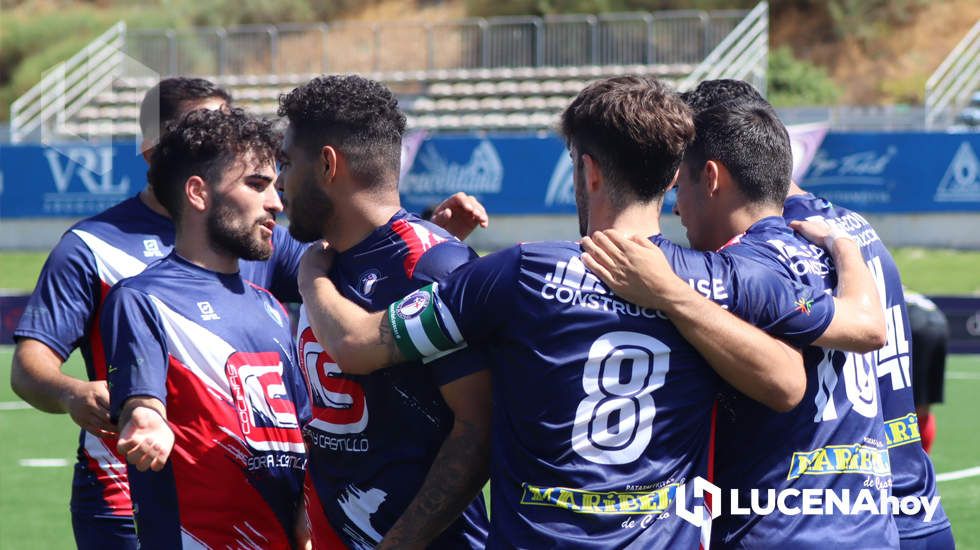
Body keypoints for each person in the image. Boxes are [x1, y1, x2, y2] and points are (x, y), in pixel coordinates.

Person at [294, 76, 881, 547]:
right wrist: (679, 298)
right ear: (673, 177)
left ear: (590, 170)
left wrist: (313, 273)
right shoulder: (722, 276)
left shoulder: (518, 273)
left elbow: (353, 344)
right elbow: (788, 383)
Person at [9, 76, 487, 548]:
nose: (276, 199)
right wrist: (96, 400)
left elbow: (363, 271)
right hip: (127, 492)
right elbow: (35, 367)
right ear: (163, 152)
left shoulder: (273, 262)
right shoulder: (97, 253)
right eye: (206, 127)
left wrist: (422, 244)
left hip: (287, 521)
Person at [585, 79, 949, 549]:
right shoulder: (849, 231)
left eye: (680, 184)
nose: (676, 209)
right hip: (885, 514)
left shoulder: (740, 266)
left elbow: (822, 355)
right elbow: (864, 322)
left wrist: (668, 291)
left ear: (712, 177)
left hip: (784, 525)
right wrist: (844, 250)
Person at [276, 74, 491, 549]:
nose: (278, 182)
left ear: (328, 165)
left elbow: (479, 431)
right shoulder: (326, 257)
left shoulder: (435, 263)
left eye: (286, 163)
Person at [100, 107, 309, 548]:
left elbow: (302, 432)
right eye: (256, 184)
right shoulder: (141, 299)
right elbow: (142, 402)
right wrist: (145, 422)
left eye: (274, 185)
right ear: (198, 192)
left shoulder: (272, 307)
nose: (275, 202)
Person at [906, 291, 950, 454]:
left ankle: (916, 457)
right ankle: (924, 459)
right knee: (923, 405)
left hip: (914, 323)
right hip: (938, 321)